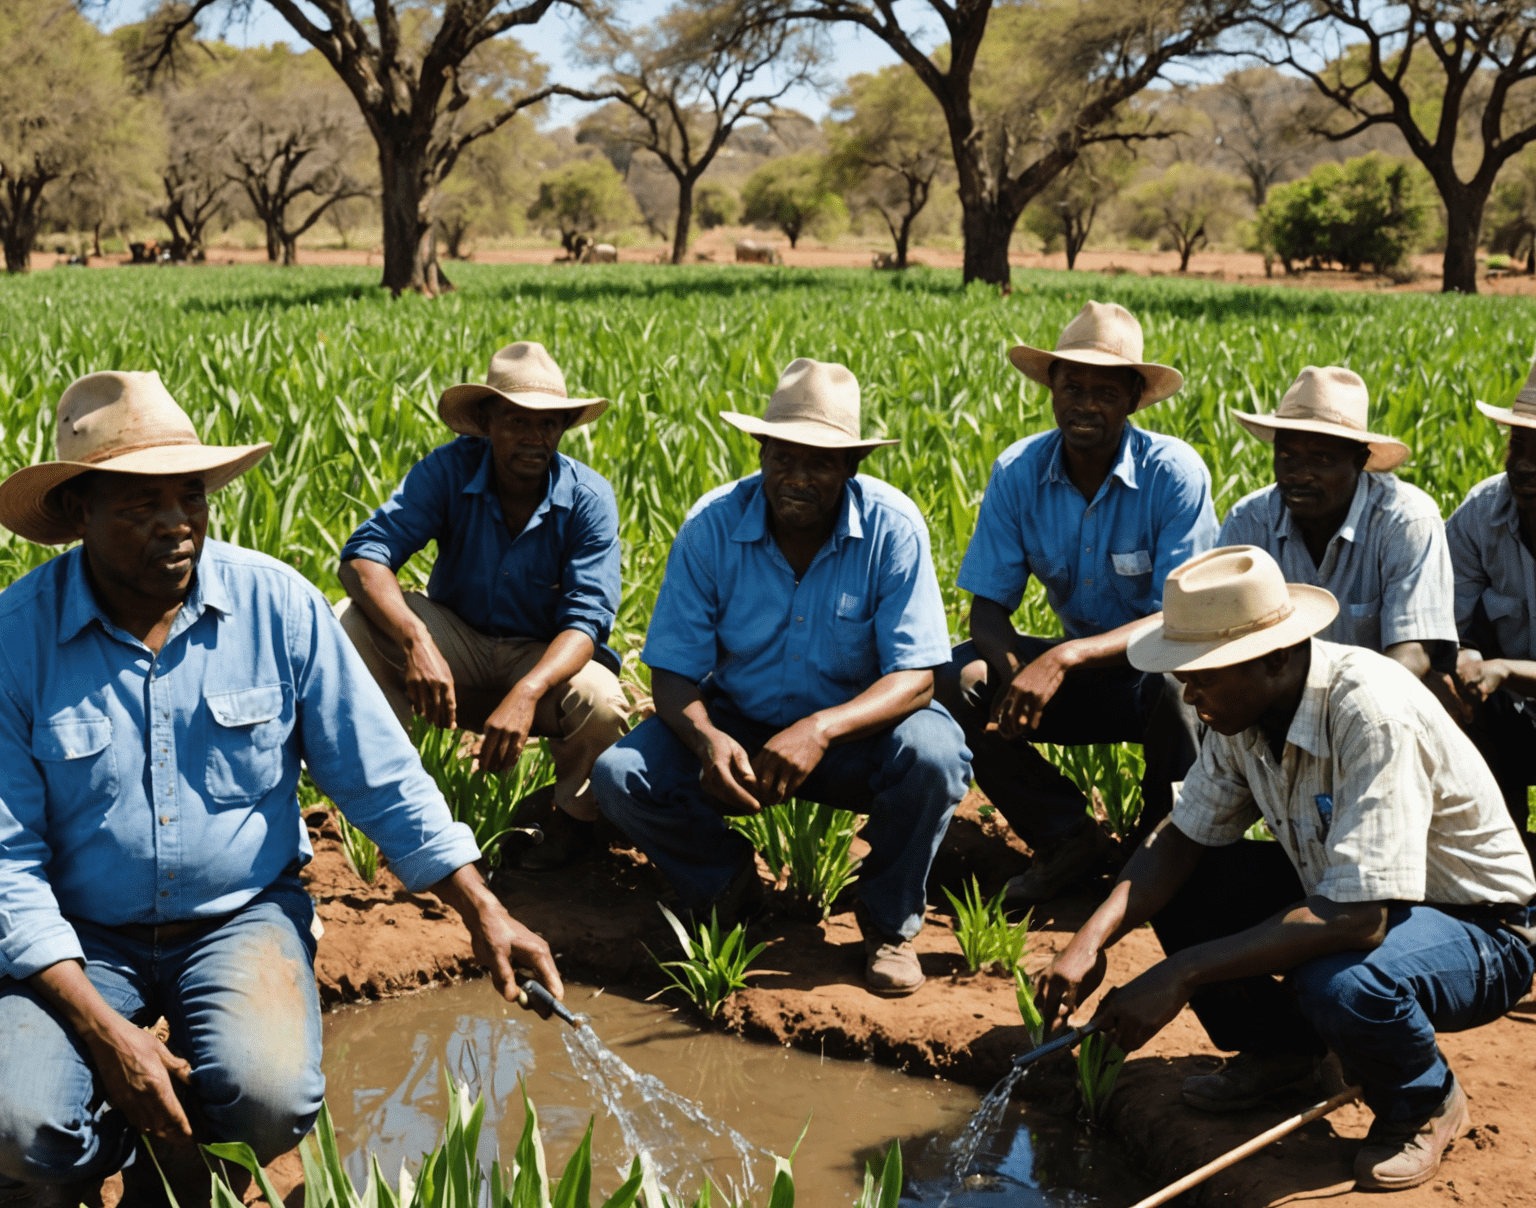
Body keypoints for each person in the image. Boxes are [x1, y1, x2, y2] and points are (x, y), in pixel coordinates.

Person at [0, 371, 563, 1208]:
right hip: (81, 936)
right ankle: (93, 1152)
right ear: (76, 511)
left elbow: (382, 777)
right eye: (139, 504)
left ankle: (187, 1159)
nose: (176, 522)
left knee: (270, 1100)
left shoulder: (278, 606)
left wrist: (481, 909)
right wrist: (109, 1039)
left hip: (238, 916)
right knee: (20, 1125)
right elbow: (7, 864)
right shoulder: (16, 638)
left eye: (191, 495)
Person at [1037, 545, 1535, 1192]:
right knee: (1189, 886)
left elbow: (1358, 919)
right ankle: (1285, 1056)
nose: (1188, 692)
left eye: (1202, 674)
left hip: (1480, 929)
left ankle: (1424, 1099)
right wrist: (1091, 938)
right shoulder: (1240, 713)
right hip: (1351, 892)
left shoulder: (1370, 711)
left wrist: (1181, 973)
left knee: (1342, 982)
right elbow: (1181, 838)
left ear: (1274, 659)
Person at [591, 359, 971, 996]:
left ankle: (888, 926)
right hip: (742, 726)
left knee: (935, 755)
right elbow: (673, 675)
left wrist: (820, 730)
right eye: (783, 457)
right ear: (760, 451)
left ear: (852, 467)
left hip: (860, 732)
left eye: (820, 463)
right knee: (622, 776)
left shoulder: (892, 528)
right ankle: (727, 888)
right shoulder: (712, 526)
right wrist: (711, 743)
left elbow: (917, 677)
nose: (797, 478)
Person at [937, 300, 1216, 904]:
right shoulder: (1019, 471)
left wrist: (1062, 660)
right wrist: (1014, 678)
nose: (1085, 403)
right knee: (955, 675)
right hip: (1085, 676)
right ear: (1052, 390)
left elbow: (1181, 617)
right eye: (1072, 386)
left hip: (1155, 668)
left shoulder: (1173, 474)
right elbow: (986, 610)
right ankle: (1066, 836)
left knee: (1176, 681)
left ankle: (1158, 853)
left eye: (1105, 390)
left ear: (1134, 399)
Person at [339, 342, 629, 870]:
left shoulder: (589, 498)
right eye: (516, 420)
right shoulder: (449, 470)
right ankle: (387, 799)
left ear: (563, 429)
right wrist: (416, 639)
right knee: (352, 622)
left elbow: (587, 621)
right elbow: (364, 558)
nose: (533, 437)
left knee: (603, 702)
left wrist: (527, 690)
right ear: (487, 421)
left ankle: (574, 825)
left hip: (540, 655)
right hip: (458, 643)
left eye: (547, 424)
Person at [1219, 365, 1456, 676]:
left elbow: (1412, 655)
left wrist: (1335, 704)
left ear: (1359, 461)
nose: (1298, 474)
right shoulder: (1248, 521)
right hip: (1272, 698)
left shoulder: (1404, 521)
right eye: (1286, 456)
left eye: (1321, 458)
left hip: (1377, 701)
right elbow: (1222, 637)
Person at [1446, 353, 1536, 845]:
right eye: (1517, 444)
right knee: (1455, 702)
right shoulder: (1481, 514)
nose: (1524, 463)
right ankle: (1501, 870)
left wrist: (1504, 669)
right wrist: (1466, 656)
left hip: (1517, 686)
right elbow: (1445, 620)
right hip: (1513, 713)